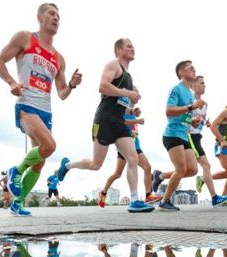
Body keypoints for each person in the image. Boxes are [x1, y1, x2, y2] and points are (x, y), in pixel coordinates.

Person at [0, 2, 82, 217]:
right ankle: (16, 171)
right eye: (51, 13)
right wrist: (11, 82)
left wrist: (71, 84)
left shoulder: (59, 58)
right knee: (50, 146)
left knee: (40, 163)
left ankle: (17, 203)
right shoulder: (25, 38)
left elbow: (62, 93)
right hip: (26, 104)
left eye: (58, 15)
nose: (56, 18)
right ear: (40, 17)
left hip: (46, 110)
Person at [57, 38, 154, 213]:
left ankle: (134, 200)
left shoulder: (129, 77)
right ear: (119, 50)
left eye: (133, 46)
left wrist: (131, 109)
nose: (133, 49)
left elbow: (120, 101)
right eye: (129, 46)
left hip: (120, 122)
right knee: (96, 164)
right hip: (104, 119)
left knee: (133, 158)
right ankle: (68, 165)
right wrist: (128, 93)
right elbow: (103, 87)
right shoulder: (113, 65)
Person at [153, 60, 227, 211]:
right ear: (181, 72)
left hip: (183, 136)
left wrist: (191, 121)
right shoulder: (176, 88)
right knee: (181, 169)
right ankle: (164, 201)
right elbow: (169, 112)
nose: (194, 70)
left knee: (193, 170)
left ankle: (159, 176)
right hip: (172, 134)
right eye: (191, 68)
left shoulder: (188, 93)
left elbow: (182, 115)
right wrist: (191, 107)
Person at [96, 111, 161, 208]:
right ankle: (103, 193)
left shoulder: (132, 111)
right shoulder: (122, 109)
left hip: (135, 145)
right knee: (117, 174)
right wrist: (137, 120)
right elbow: (121, 121)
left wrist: (135, 115)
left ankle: (148, 195)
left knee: (147, 167)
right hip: (125, 146)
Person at [190, 76, 227, 207]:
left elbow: (200, 119)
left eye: (205, 83)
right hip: (189, 136)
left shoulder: (205, 104)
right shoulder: (188, 100)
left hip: (197, 136)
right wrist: (192, 122)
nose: (204, 86)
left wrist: (205, 123)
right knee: (204, 166)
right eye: (201, 83)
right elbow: (184, 117)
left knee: (186, 170)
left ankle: (159, 176)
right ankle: (215, 198)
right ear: (193, 85)